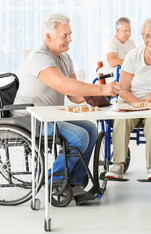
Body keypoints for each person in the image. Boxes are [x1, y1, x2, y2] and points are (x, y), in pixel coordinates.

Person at [13, 13, 119, 198]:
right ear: (48, 37)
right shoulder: (40, 57)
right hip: (30, 119)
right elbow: (62, 85)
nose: (70, 39)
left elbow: (73, 94)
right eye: (65, 35)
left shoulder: (65, 58)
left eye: (70, 34)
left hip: (50, 117)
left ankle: (74, 182)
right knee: (79, 137)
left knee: (90, 130)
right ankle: (53, 179)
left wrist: (96, 96)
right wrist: (101, 91)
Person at [105, 17, 151, 180]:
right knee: (122, 120)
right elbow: (123, 89)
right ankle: (118, 164)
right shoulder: (133, 55)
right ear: (142, 37)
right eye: (147, 36)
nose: (150, 40)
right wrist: (137, 103)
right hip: (131, 103)